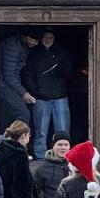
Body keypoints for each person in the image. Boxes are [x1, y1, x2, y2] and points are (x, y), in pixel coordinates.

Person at [22, 30, 75, 159]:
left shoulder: (62, 52)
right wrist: (36, 90)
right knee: (40, 131)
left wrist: (63, 68)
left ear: (54, 38)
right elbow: (28, 74)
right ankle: (40, 158)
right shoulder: (35, 53)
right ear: (41, 38)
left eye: (50, 37)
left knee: (62, 131)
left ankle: (64, 158)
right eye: (45, 37)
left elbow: (70, 74)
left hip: (60, 96)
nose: (48, 39)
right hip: (41, 99)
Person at [0, 29, 38, 132]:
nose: (36, 43)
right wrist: (23, 93)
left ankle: (5, 142)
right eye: (35, 39)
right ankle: (18, 141)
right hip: (3, 84)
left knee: (7, 117)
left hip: (7, 84)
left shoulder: (21, 45)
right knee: (23, 113)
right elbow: (9, 74)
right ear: (27, 37)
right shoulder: (13, 46)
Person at [32, 133, 71, 198]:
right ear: (53, 146)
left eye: (66, 145)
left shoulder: (75, 166)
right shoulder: (42, 169)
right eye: (59, 144)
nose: (63, 148)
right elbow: (35, 192)